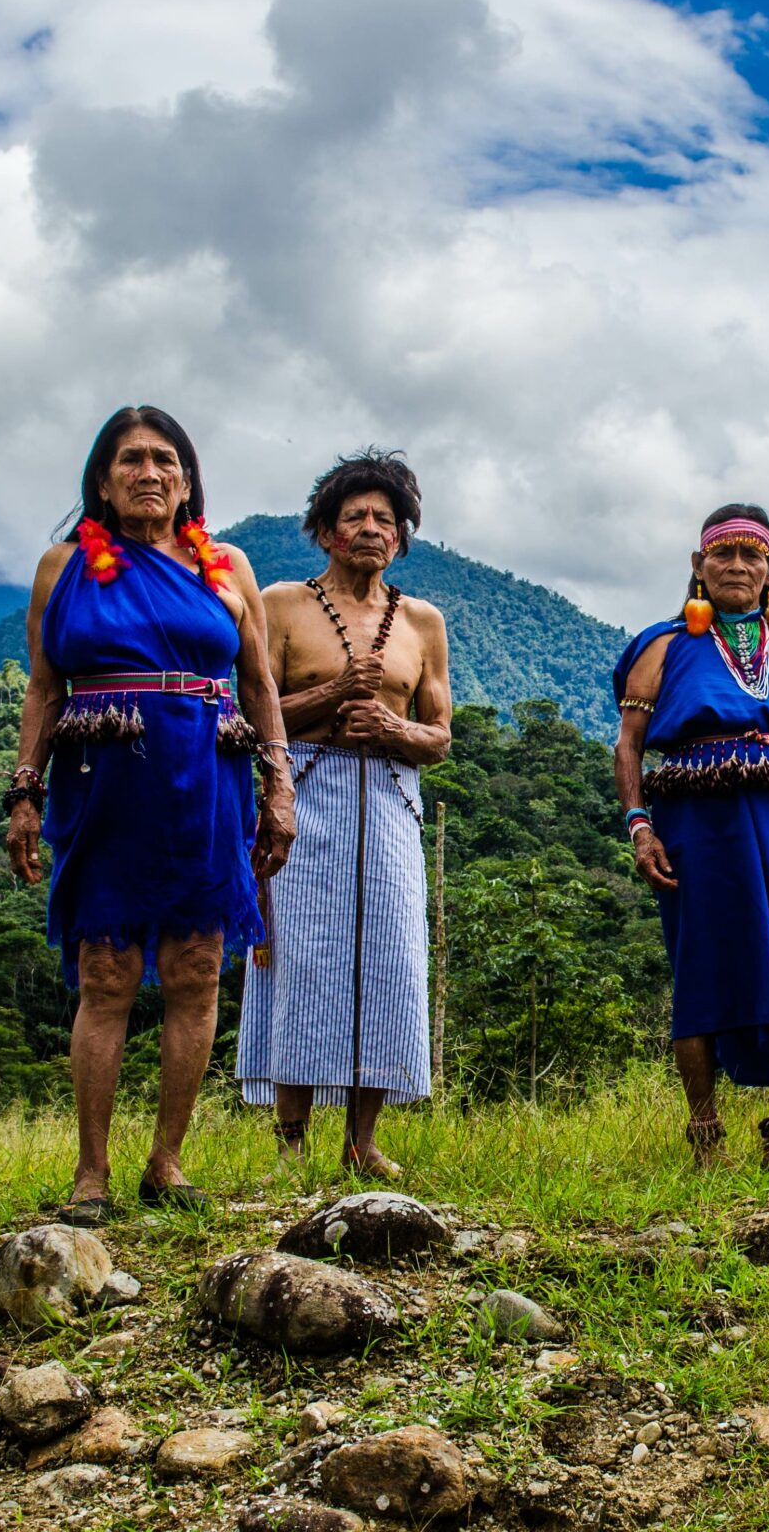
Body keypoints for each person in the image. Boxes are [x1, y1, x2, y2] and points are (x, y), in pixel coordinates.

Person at [5, 407, 295, 1221]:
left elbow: (261, 686)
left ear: (188, 479)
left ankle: (166, 1161)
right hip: (103, 783)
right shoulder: (63, 566)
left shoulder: (226, 566)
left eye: (165, 460)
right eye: (130, 459)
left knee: (199, 969)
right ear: (102, 480)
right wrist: (24, 790)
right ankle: (90, 1173)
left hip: (206, 777)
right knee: (107, 975)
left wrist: (279, 786)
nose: (149, 472)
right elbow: (44, 686)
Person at [612, 504, 769, 1174]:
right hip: (702, 829)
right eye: (723, 555)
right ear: (699, 566)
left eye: (753, 556)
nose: (738, 567)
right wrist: (640, 830)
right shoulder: (663, 646)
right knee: (704, 970)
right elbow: (629, 748)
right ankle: (705, 1137)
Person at [236, 449, 452, 1177]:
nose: (370, 528)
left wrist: (397, 731)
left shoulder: (422, 622)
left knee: (387, 959)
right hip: (300, 791)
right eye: (354, 516)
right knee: (302, 956)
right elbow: (248, 713)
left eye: (385, 519)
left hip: (389, 801)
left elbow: (441, 736)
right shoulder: (281, 605)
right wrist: (331, 697)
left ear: (401, 537)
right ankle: (291, 1142)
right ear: (325, 531)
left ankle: (363, 1143)